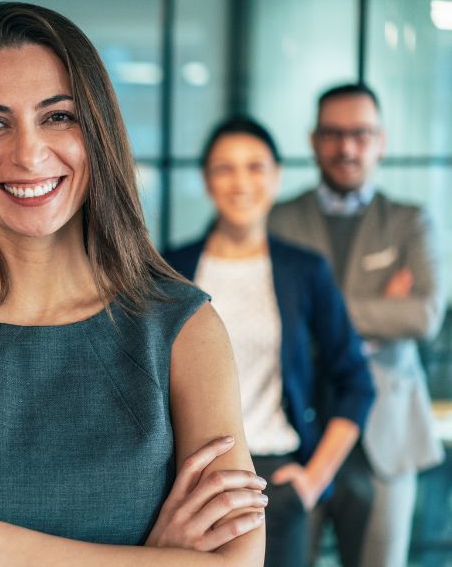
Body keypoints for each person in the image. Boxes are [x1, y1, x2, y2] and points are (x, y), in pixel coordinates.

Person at [0, 3, 267, 566]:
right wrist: (156, 559)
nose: (29, 154)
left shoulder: (182, 327)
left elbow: (239, 563)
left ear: (98, 132)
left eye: (58, 116)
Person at [164, 117, 375, 567]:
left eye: (255, 167)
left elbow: (356, 382)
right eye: (225, 168)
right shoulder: (169, 267)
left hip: (275, 482)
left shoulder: (304, 270)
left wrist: (312, 481)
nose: (241, 182)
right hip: (191, 484)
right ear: (206, 180)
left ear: (276, 177)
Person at [270, 84, 446, 567]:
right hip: (295, 431)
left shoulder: (410, 222)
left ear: (381, 141)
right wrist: (378, 308)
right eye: (333, 134)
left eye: (361, 134)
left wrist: (320, 312)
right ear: (313, 140)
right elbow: (269, 318)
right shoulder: (280, 220)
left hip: (385, 437)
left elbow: (424, 313)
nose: (347, 147)